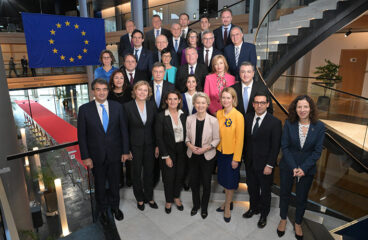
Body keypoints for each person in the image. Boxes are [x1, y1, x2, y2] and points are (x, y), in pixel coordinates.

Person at [77, 79, 129, 225]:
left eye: (104, 89)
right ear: (93, 91)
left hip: (115, 154)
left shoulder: (117, 107)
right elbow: (81, 136)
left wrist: (125, 151)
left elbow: (123, 131)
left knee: (115, 183)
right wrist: (86, 157)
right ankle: (103, 210)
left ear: (108, 91)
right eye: (98, 89)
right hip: (96, 156)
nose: (101, 92)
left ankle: (115, 208)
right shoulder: (84, 109)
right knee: (99, 185)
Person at [277, 95, 325, 240]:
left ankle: (298, 222)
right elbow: (284, 147)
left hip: (307, 169)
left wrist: (303, 168)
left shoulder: (319, 126)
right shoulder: (289, 123)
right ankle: (283, 219)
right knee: (284, 194)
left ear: (310, 108)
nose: (302, 110)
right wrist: (293, 167)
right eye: (299, 107)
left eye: (305, 106)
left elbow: (317, 151)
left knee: (301, 198)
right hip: (288, 167)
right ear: (295, 109)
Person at [242, 92, 282, 228]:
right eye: (257, 103)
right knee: (252, 188)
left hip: (265, 164)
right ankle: (253, 208)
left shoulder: (275, 122)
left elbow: (275, 146)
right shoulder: (247, 118)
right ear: (253, 104)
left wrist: (270, 164)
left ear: (267, 104)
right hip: (249, 162)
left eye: (262, 103)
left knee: (265, 191)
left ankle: (264, 214)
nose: (259, 105)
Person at [123, 81, 159, 211]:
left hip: (150, 145)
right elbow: (124, 130)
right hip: (134, 146)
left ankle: (149, 197)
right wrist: (126, 149)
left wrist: (157, 145)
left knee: (149, 172)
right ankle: (139, 199)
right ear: (135, 91)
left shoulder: (152, 105)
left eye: (145, 90)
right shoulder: (127, 107)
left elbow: (156, 127)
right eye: (140, 90)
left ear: (148, 92)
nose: (142, 92)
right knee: (136, 173)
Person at [186, 92, 220, 219]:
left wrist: (205, 148)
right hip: (193, 155)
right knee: (194, 183)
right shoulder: (189, 119)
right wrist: (190, 146)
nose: (200, 105)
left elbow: (217, 139)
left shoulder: (213, 120)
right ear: (194, 104)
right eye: (198, 102)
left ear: (207, 104)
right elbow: (186, 138)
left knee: (206, 183)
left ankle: (204, 208)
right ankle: (196, 205)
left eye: (203, 103)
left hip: (207, 156)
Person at [155, 90, 187, 214]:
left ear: (179, 101)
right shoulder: (161, 116)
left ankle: (176, 197)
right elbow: (159, 137)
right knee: (168, 177)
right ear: (166, 101)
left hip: (182, 150)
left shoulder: (184, 115)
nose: (173, 101)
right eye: (170, 99)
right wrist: (165, 156)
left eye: (175, 99)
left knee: (179, 175)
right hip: (167, 151)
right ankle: (168, 200)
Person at [216, 87, 244, 223]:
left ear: (233, 99)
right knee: (223, 180)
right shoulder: (218, 114)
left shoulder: (238, 116)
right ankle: (228, 201)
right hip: (220, 153)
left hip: (232, 155)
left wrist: (236, 159)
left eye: (228, 98)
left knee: (230, 183)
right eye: (223, 97)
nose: (225, 100)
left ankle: (227, 206)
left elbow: (240, 140)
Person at [107, 69, 133, 188]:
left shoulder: (130, 91)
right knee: (117, 153)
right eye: (116, 78)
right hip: (115, 126)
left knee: (129, 152)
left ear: (124, 80)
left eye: (121, 78)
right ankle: (119, 179)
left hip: (129, 125)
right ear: (112, 80)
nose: (119, 80)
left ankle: (130, 178)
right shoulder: (108, 93)